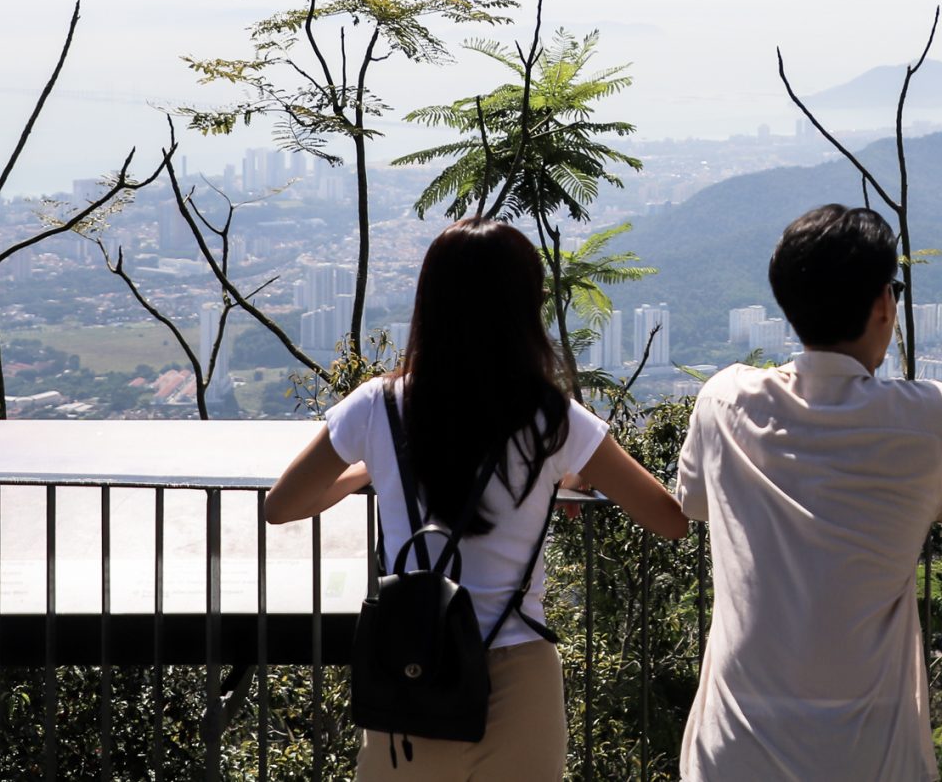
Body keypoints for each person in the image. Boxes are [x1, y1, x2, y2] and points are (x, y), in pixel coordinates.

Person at [265, 218, 688, 781]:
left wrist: (365, 473)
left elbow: (282, 506)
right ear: (524, 308)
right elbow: (669, 520)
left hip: (412, 665)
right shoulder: (552, 421)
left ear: (430, 302)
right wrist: (561, 476)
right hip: (521, 675)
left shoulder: (380, 408)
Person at [675, 204, 942, 781]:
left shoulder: (726, 400)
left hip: (732, 747)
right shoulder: (932, 420)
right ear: (884, 303)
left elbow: (694, 504)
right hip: (871, 753)